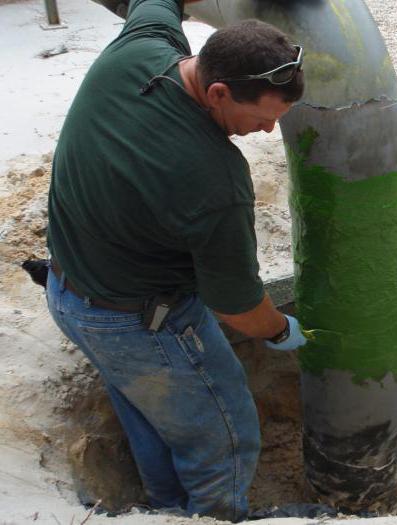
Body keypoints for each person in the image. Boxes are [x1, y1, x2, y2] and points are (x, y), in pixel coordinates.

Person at [45, 0, 307, 520]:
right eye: (262, 117)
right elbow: (237, 308)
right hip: (140, 323)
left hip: (69, 291)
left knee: (148, 411)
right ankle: (212, 515)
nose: (267, 133)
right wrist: (279, 330)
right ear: (218, 92)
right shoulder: (216, 182)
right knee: (225, 436)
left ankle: (165, 506)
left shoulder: (141, 47)